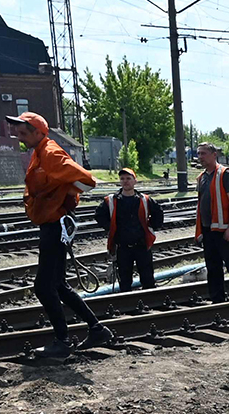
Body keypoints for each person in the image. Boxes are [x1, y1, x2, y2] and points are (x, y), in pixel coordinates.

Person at [9, 111, 110, 360]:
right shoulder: (39, 152)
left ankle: (62, 341)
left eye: (23, 133)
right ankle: (97, 329)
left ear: (38, 132)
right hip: (51, 223)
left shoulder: (51, 153)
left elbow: (88, 180)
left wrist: (66, 197)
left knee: (43, 287)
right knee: (58, 285)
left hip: (56, 224)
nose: (18, 137)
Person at [90, 167, 166, 293]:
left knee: (147, 278)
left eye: (128, 178)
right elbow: (99, 215)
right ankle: (127, 304)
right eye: (122, 179)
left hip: (142, 245)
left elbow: (158, 213)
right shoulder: (112, 200)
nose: (125, 181)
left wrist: (152, 226)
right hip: (123, 247)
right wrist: (110, 227)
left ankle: (151, 302)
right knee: (124, 281)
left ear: (135, 181)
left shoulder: (144, 199)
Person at [196, 141, 229, 301]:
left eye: (203, 153)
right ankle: (217, 299)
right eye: (199, 154)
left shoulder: (225, 174)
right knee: (213, 267)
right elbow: (200, 205)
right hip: (208, 230)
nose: (200, 157)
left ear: (214, 155)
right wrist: (198, 231)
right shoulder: (201, 177)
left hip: (225, 230)